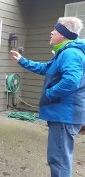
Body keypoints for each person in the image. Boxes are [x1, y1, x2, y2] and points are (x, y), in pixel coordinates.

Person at [10, 17, 85, 177]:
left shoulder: (70, 53)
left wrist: (50, 94)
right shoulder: (65, 52)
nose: (51, 32)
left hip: (64, 115)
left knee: (59, 160)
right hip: (64, 115)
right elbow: (45, 68)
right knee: (60, 158)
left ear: (64, 35)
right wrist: (22, 61)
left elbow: (71, 81)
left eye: (56, 30)